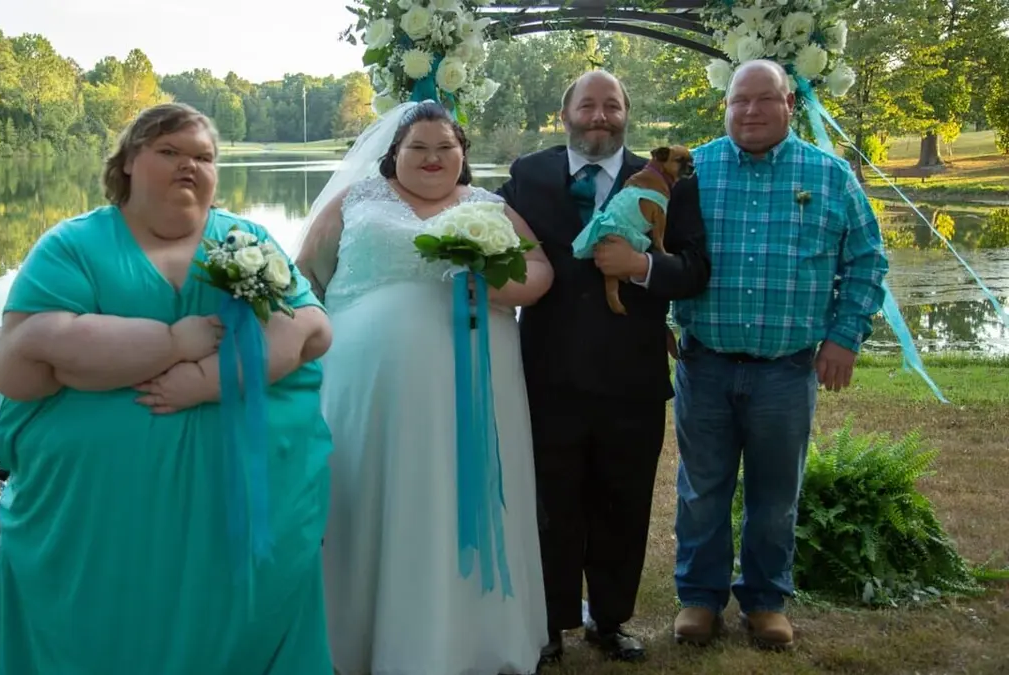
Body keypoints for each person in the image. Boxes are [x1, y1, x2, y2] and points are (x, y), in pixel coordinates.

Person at [0, 103, 335, 675]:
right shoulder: (72, 246)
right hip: (99, 521)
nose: (189, 166)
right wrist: (173, 341)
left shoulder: (246, 239)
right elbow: (21, 362)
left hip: (237, 502)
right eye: (168, 152)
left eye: (203, 157)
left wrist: (204, 381)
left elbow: (312, 329)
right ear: (126, 164)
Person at [295, 100, 554, 675]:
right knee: (374, 493)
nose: (433, 158)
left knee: (464, 491)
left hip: (475, 386)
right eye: (419, 148)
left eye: (445, 147)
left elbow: (540, 272)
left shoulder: (489, 207)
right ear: (395, 154)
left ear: (462, 154)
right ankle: (361, 634)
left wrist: (498, 286)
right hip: (372, 394)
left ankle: (472, 641)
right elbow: (306, 273)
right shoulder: (357, 200)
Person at [670, 60, 888, 650]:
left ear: (790, 103)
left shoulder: (830, 175)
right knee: (702, 487)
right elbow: (653, 249)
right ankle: (699, 598)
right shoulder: (694, 170)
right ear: (726, 106)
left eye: (765, 100)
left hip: (786, 372)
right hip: (705, 362)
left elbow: (867, 260)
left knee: (774, 495)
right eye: (739, 101)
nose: (750, 112)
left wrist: (844, 337)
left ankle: (766, 601)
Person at [496, 70, 711, 663]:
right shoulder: (529, 175)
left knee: (624, 501)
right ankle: (550, 625)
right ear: (565, 114)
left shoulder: (667, 181)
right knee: (551, 504)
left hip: (631, 379)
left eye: (611, 106)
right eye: (587, 105)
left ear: (626, 114)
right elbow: (486, 234)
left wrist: (642, 266)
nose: (599, 116)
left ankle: (610, 620)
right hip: (547, 374)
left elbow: (693, 269)